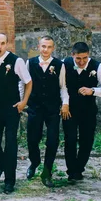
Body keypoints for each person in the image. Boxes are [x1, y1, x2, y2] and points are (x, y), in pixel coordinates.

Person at [0, 33, 32, 194]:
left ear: (7, 44)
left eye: (2, 43)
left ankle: (9, 181)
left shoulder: (16, 61)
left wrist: (24, 102)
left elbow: (28, 82)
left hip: (12, 108)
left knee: (11, 143)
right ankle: (2, 165)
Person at [62, 41, 101, 183]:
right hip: (69, 110)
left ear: (88, 55)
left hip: (88, 110)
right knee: (70, 139)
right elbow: (60, 86)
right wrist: (64, 104)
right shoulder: (64, 64)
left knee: (86, 140)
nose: (82, 61)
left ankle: (79, 169)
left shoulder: (97, 67)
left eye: (85, 58)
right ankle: (71, 171)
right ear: (72, 55)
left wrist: (93, 91)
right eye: (78, 58)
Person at [25, 36, 70, 188]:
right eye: (43, 46)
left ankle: (47, 171)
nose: (46, 49)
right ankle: (34, 162)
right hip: (34, 107)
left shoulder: (59, 65)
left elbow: (63, 86)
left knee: (52, 140)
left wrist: (65, 103)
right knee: (32, 139)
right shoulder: (30, 63)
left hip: (52, 109)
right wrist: (22, 102)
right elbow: (24, 84)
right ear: (39, 46)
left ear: (53, 48)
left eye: (49, 47)